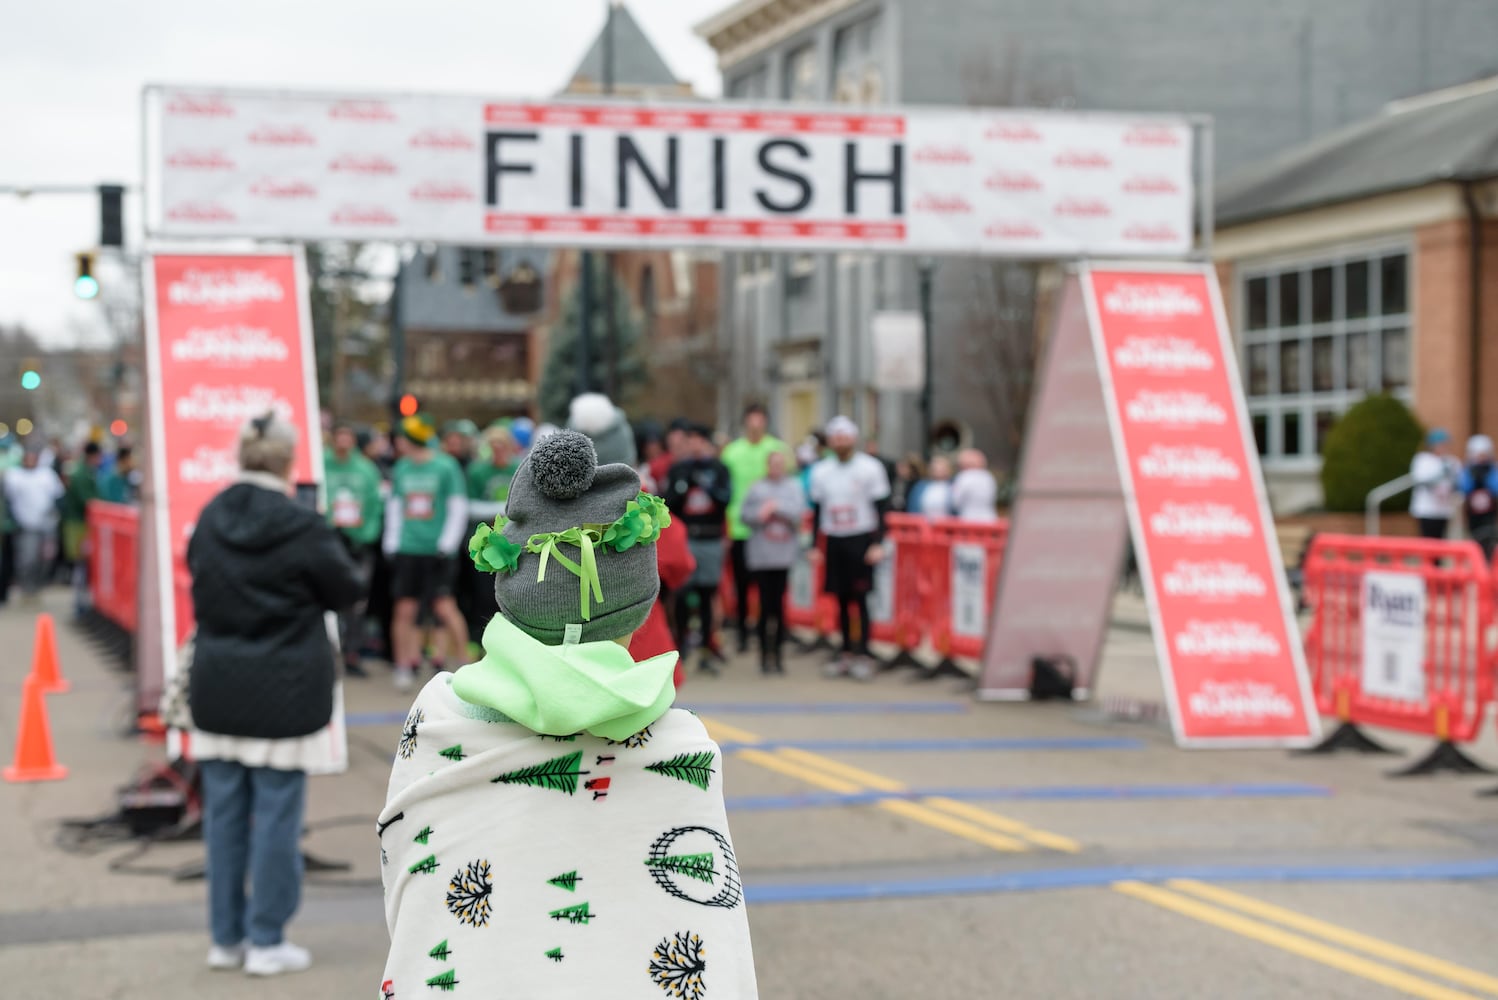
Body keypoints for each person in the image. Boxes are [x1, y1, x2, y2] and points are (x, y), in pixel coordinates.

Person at [379, 431, 758, 995]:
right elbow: (704, 924)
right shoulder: (682, 746)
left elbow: (408, 875)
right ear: (637, 609)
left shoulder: (436, 717)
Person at [187, 412, 362, 977]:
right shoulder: (300, 523)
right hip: (286, 688)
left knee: (224, 817)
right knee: (277, 818)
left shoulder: (210, 516)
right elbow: (346, 590)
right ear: (288, 460)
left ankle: (225, 938)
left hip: (217, 682)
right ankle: (267, 938)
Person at [385, 414, 470, 691]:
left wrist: (447, 543)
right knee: (405, 609)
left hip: (438, 551)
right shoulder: (401, 468)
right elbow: (396, 506)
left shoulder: (446, 466)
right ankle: (403, 666)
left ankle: (465, 665)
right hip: (409, 548)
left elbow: (457, 506)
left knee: (444, 607)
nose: (398, 443)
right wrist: (392, 541)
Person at [809, 416, 890, 681]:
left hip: (861, 537)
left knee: (861, 598)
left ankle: (864, 653)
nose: (841, 442)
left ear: (853, 439)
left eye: (845, 437)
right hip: (835, 538)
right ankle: (845, 652)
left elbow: (882, 508)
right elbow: (818, 510)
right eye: (836, 438)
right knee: (841, 599)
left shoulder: (870, 468)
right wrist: (814, 545)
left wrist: (878, 542)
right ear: (831, 441)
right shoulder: (821, 471)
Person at [663, 424, 733, 674]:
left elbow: (726, 500)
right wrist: (684, 486)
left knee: (707, 594)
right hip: (687, 538)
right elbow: (668, 502)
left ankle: (706, 648)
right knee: (682, 594)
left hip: (710, 538)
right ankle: (680, 646)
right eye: (690, 441)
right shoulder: (680, 469)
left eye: (699, 441)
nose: (694, 446)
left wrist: (707, 486)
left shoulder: (719, 469)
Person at [720, 403, 787, 654]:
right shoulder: (732, 452)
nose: (756, 428)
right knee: (741, 584)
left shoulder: (777, 450)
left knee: (770, 587)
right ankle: (742, 633)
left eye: (760, 423)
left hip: (769, 530)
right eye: (751, 423)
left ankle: (769, 631)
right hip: (739, 528)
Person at [325, 422, 384, 678]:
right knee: (327, 599)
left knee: (357, 601)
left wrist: (365, 533)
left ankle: (352, 654)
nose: (343, 443)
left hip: (359, 544)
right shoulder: (322, 464)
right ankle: (329, 655)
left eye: (348, 437)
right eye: (340, 437)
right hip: (328, 542)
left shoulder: (366, 469)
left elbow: (375, 505)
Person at [740, 450, 807, 675]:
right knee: (764, 607)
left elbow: (799, 513)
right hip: (761, 556)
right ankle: (763, 656)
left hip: (784, 555)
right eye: (773, 464)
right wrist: (761, 513)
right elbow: (745, 515)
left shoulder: (793, 487)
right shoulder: (757, 488)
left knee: (778, 607)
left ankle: (778, 656)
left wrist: (777, 508)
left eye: (781, 463)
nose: (777, 468)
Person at [2, 446, 64, 602]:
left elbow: (58, 496)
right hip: (25, 526)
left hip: (46, 525)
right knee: (27, 558)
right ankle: (26, 588)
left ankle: (38, 586)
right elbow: (7, 500)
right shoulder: (14, 476)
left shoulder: (46, 475)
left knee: (46, 558)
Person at [61, 441, 103, 615]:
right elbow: (88, 501)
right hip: (78, 525)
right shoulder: (80, 474)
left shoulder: (86, 472)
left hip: (82, 524)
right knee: (81, 564)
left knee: (83, 565)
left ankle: (82, 602)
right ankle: (79, 603)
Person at [1410, 429, 1460, 539]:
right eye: (1441, 444)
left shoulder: (1452, 461)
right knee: (1428, 540)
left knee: (1441, 542)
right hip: (1427, 509)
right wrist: (1441, 474)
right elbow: (1422, 480)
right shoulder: (1422, 459)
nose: (1444, 447)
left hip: (1444, 509)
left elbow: (1456, 482)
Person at [1460, 435, 1498, 560]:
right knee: (1474, 541)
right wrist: (1473, 477)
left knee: (1489, 540)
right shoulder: (1468, 469)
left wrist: (1486, 477)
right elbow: (1464, 488)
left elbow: (1495, 488)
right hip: (1473, 514)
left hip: (1489, 514)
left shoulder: (1492, 468)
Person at [951, 448, 1000, 522]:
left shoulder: (964, 476)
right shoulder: (988, 476)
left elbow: (956, 501)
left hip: (968, 519)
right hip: (989, 519)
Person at [912, 454, 956, 520]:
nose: (938, 471)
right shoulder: (921, 485)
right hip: (923, 524)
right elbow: (913, 505)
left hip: (946, 525)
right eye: (935, 468)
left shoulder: (954, 486)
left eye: (942, 469)